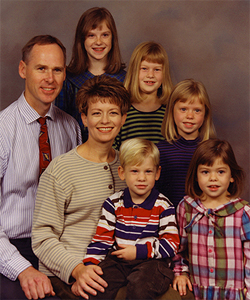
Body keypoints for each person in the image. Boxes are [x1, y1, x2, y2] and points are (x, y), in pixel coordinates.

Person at [32, 76, 130, 300]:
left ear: (123, 118)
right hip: (67, 274)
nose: (105, 120)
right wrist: (76, 269)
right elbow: (42, 237)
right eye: (96, 113)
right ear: (84, 119)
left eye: (113, 113)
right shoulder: (61, 169)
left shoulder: (129, 166)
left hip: (112, 271)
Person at [0, 35, 82, 300]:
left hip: (60, 245)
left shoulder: (70, 127)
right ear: (23, 70)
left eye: (57, 70)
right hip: (12, 247)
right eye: (41, 68)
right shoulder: (3, 128)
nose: (50, 78)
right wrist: (21, 268)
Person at [82, 138, 179, 299]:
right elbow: (102, 239)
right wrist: (90, 265)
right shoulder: (113, 203)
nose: (142, 178)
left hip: (152, 262)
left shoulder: (163, 205)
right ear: (122, 173)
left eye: (148, 171)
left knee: (140, 286)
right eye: (135, 171)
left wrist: (138, 251)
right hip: (119, 261)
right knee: (97, 285)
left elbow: (171, 244)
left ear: (157, 173)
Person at [172, 138, 250, 300]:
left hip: (233, 294)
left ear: (232, 176)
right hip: (197, 292)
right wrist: (181, 273)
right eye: (205, 172)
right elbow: (179, 249)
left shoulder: (242, 212)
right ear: (196, 175)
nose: (213, 178)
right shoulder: (187, 208)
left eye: (220, 172)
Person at [55, 7, 126, 142]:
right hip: (76, 153)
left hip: (118, 154)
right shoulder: (68, 79)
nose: (98, 42)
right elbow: (60, 127)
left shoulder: (125, 80)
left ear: (113, 38)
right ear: (82, 40)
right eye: (91, 35)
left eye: (105, 35)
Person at [156, 79, 216, 208]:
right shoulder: (159, 151)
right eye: (183, 109)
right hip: (168, 222)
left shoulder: (212, 151)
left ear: (205, 114)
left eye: (197, 110)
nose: (190, 116)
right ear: (172, 111)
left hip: (202, 223)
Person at [113, 41, 173, 150]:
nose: (150, 75)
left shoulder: (170, 112)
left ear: (164, 74)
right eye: (144, 68)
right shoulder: (122, 110)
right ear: (134, 71)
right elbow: (113, 151)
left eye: (157, 69)